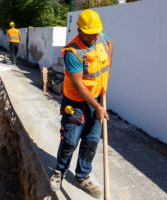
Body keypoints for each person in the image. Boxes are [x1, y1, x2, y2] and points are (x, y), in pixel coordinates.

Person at [49, 9, 113, 199]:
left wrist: (108, 67)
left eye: (95, 33)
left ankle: (82, 176)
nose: (93, 37)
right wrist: (98, 107)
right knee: (70, 140)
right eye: (88, 33)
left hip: (97, 99)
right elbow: (77, 85)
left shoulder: (99, 35)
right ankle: (59, 171)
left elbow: (110, 43)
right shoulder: (73, 52)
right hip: (77, 102)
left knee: (91, 141)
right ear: (79, 30)